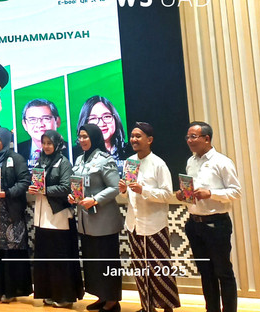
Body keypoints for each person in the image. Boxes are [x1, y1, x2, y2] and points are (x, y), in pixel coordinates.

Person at [176, 121, 241, 312]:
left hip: (216, 224)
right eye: (187, 137)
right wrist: (183, 195)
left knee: (223, 272)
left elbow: (236, 192)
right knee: (206, 272)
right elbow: (191, 192)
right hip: (194, 224)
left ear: (206, 138)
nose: (189, 140)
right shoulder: (190, 162)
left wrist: (211, 193)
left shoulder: (222, 162)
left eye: (193, 136)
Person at [118, 122, 180, 312]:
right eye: (132, 136)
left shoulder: (158, 164)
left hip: (154, 225)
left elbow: (166, 194)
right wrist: (123, 191)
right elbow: (128, 195)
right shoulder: (129, 162)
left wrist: (143, 190)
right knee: (140, 269)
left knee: (160, 269)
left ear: (150, 140)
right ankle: (147, 307)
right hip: (134, 224)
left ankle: (167, 307)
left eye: (138, 136)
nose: (134, 139)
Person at [68, 124, 122, 312]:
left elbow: (115, 188)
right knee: (93, 262)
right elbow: (78, 185)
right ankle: (101, 296)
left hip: (104, 221)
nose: (81, 140)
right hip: (85, 221)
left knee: (107, 261)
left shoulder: (105, 159)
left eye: (85, 136)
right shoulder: (80, 159)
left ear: (94, 137)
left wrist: (96, 200)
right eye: (80, 137)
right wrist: (73, 196)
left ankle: (112, 300)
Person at [28, 130, 83, 308]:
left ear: (57, 144)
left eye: (49, 143)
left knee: (60, 258)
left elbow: (66, 187)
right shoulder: (40, 161)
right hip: (42, 216)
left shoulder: (64, 162)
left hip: (58, 216)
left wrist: (44, 190)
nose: (46, 146)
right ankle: (50, 293)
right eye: (43, 143)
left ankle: (65, 296)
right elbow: (37, 183)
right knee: (45, 258)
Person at [0, 127, 32, 303]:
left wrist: (7, 192)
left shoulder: (16, 159)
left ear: (6, 140)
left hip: (11, 213)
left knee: (11, 251)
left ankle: (11, 290)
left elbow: (24, 182)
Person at [74, 96, 127, 166]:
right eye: (93, 118)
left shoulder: (129, 150)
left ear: (115, 118)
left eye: (106, 116)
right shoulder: (76, 155)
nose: (102, 123)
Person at [17, 98, 68, 169]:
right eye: (32, 120)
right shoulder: (17, 151)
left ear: (57, 121)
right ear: (24, 124)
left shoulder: (70, 152)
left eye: (46, 118)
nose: (40, 124)